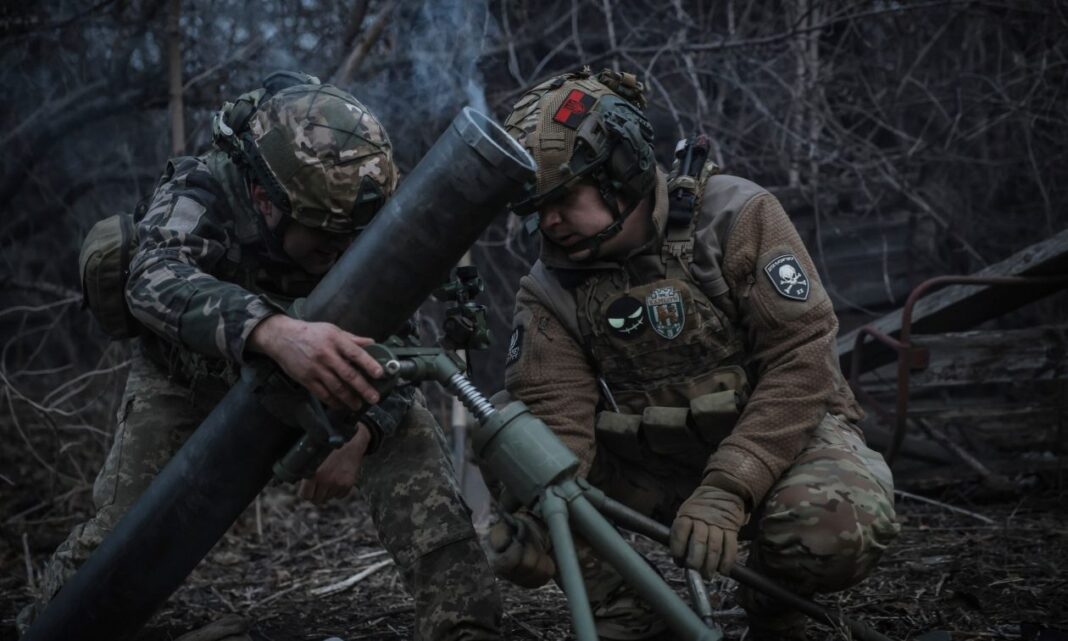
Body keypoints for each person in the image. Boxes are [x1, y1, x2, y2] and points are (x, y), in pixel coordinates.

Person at [17, 72, 501, 641]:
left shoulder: (356, 208)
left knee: (413, 447)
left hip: (328, 378)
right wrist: (274, 332)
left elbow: (401, 332)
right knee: (124, 536)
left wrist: (367, 429)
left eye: (355, 235)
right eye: (325, 237)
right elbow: (152, 278)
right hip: (190, 383)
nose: (343, 250)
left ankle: (464, 627)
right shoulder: (204, 188)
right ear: (265, 200)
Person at [487, 67, 900, 640]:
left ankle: (774, 606)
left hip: (779, 444)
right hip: (650, 469)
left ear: (621, 170)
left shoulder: (734, 217)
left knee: (833, 522)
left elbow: (803, 362)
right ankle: (631, 613)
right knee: (512, 435)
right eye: (537, 207)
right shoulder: (548, 288)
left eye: (562, 198)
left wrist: (731, 486)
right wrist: (542, 520)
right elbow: (558, 427)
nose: (549, 221)